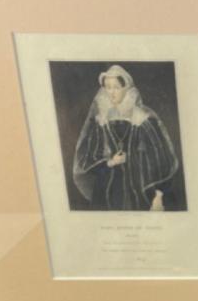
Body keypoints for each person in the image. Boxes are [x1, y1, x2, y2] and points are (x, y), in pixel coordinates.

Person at [71, 64, 179, 211]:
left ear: (126, 88)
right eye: (108, 87)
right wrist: (110, 162)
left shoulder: (143, 120)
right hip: (106, 191)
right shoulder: (100, 121)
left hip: (139, 190)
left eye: (116, 87)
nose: (111, 92)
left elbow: (161, 161)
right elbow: (87, 160)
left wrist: (158, 195)